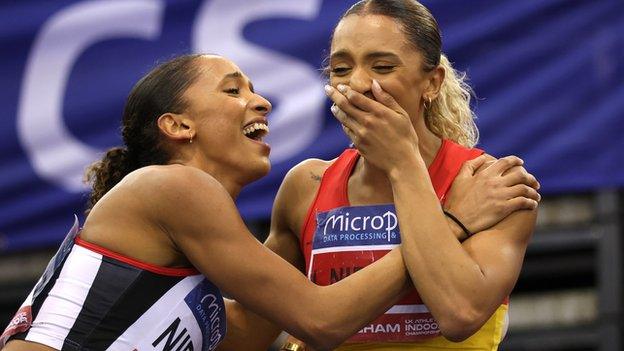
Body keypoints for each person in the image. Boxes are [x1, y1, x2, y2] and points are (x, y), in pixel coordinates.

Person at [2, 54, 445, 351]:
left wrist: (294, 230)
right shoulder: (174, 187)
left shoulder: (180, 253)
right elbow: (321, 321)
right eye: (233, 92)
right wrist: (447, 230)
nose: (262, 101)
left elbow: (248, 332)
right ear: (178, 125)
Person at [222, 1, 539, 350]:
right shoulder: (306, 186)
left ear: (432, 83)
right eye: (341, 69)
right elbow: (248, 332)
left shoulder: (490, 183)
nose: (356, 84)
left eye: (382, 66)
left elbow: (460, 313)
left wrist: (403, 162)